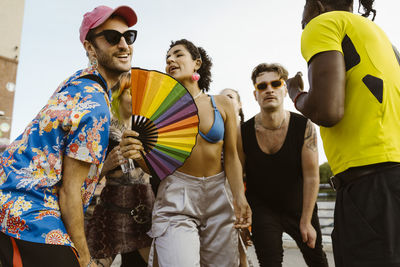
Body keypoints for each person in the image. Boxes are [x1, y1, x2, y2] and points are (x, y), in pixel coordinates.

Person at [0, 5, 138, 267]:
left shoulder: (77, 82)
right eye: (111, 37)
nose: (123, 45)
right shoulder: (96, 104)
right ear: (89, 47)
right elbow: (69, 191)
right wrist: (83, 258)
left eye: (128, 37)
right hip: (28, 209)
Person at [286, 0, 400, 266]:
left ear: (317, 4)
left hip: (370, 188)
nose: (303, 16)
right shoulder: (381, 37)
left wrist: (295, 93)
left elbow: (328, 110)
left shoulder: (323, 23)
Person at [121, 39, 252, 267]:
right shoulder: (158, 109)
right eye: (167, 58)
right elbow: (153, 166)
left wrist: (239, 197)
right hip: (176, 194)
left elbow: (231, 157)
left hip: (220, 194)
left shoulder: (221, 103)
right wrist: (135, 154)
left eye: (178, 55)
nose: (171, 60)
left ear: (197, 63)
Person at [237, 63, 328, 267]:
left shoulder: (304, 126)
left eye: (275, 84)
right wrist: (242, 213)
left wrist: (306, 221)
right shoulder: (243, 132)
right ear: (255, 94)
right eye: (262, 86)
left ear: (284, 89)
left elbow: (312, 176)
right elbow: (238, 174)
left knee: (317, 260)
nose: (269, 89)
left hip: (299, 205)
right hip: (262, 208)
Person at [85, 73, 154, 267]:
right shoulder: (103, 125)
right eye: (131, 92)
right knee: (95, 262)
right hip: (112, 203)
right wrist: (107, 165)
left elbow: (157, 171)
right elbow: (86, 176)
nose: (136, 98)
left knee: (152, 262)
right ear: (119, 94)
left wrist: (141, 157)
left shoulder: (148, 128)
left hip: (142, 205)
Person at [219, 88, 251, 267]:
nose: (224, 100)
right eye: (221, 97)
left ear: (239, 105)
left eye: (230, 97)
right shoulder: (217, 133)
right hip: (220, 191)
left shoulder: (246, 131)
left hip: (241, 192)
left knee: (241, 248)